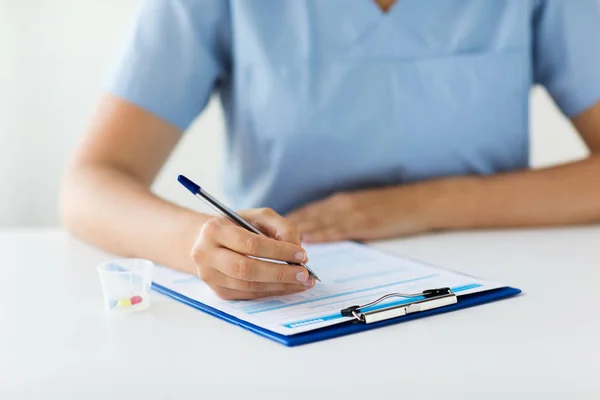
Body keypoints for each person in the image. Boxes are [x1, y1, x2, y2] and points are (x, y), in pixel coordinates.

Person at [60, 0, 600, 300]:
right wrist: (210, 249)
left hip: (505, 291)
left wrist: (424, 205)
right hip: (295, 298)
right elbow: (90, 184)